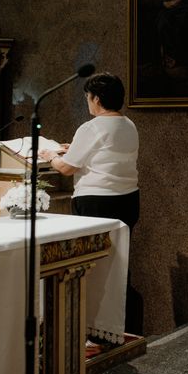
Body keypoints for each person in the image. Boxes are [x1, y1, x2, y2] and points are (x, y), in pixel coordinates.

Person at [38, 72, 143, 335]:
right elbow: (108, 153)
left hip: (96, 204)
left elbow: (65, 168)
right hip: (127, 200)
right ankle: (121, 328)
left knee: (91, 267)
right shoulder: (129, 124)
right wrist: (73, 146)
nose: (88, 102)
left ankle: (92, 329)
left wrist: (51, 154)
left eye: (88, 97)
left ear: (96, 98)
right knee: (119, 266)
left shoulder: (92, 127)